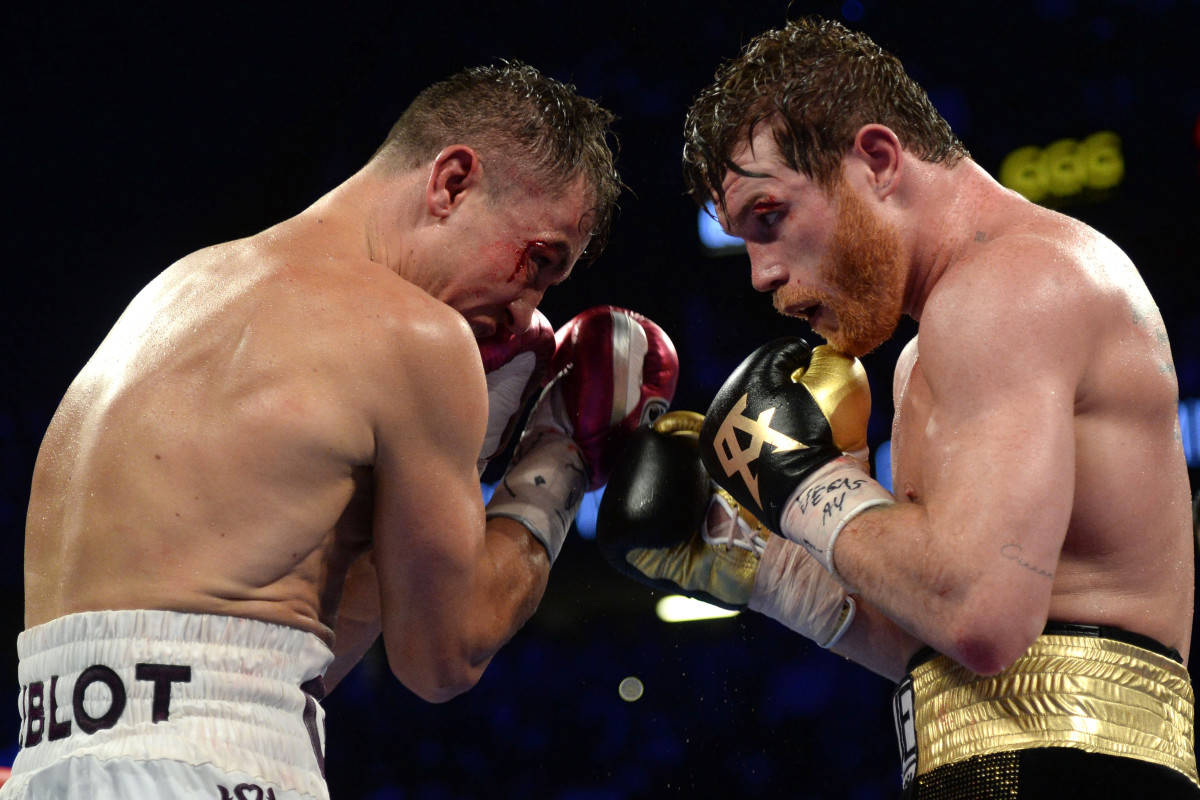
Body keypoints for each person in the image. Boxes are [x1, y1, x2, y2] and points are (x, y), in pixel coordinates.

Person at [9, 62, 681, 800]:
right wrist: (558, 460)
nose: (528, 313)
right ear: (451, 182)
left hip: (49, 764)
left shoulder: (173, 294)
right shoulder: (415, 336)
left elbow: (278, 665)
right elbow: (440, 660)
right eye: (539, 262)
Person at [597, 16, 1199, 798]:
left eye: (770, 219)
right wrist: (756, 567)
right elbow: (948, 643)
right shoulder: (932, 347)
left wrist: (796, 479)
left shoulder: (1016, 282)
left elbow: (980, 618)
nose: (760, 274)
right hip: (1005, 769)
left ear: (877, 160)